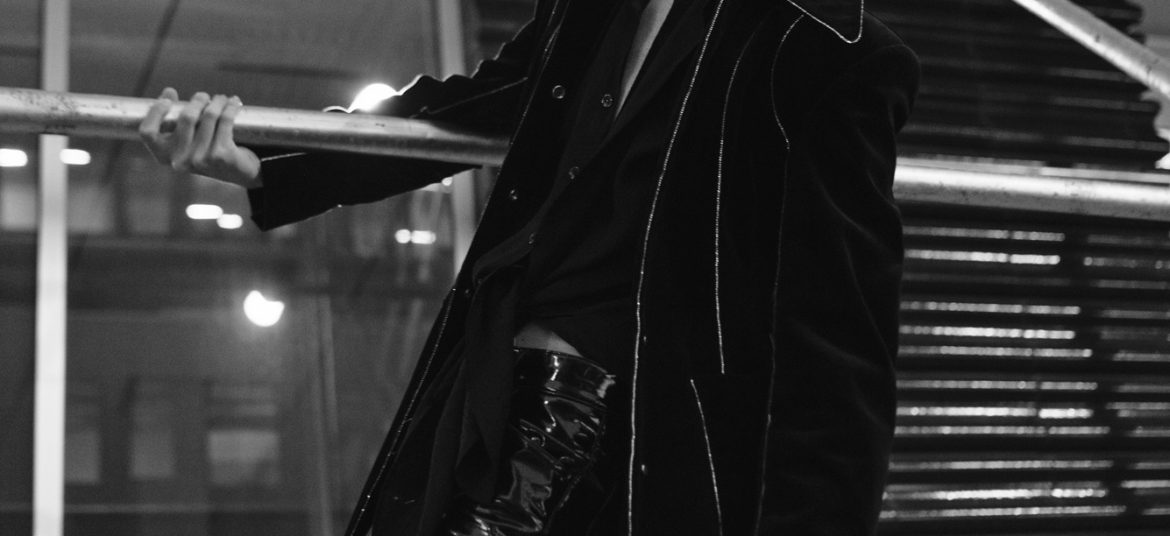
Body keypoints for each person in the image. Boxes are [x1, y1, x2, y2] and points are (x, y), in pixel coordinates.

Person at [140, 0, 918, 534]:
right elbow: (472, 106)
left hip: (641, 453)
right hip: (496, 390)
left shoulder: (827, 51)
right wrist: (267, 160)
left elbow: (838, 366)